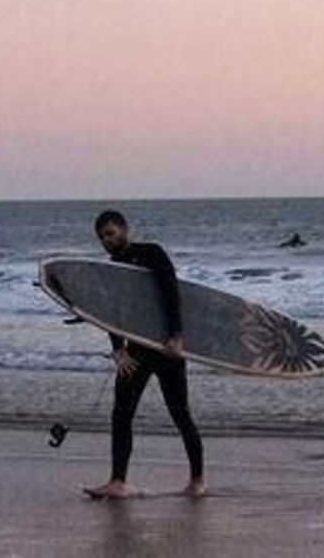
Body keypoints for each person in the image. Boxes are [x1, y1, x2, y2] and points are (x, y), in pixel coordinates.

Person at [83, 210, 206, 500]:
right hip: (137, 351)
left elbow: (171, 292)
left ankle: (198, 479)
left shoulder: (152, 253)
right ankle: (117, 482)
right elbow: (113, 312)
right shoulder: (113, 268)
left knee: (180, 414)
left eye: (111, 233)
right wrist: (117, 349)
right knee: (121, 414)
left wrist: (176, 336)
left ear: (125, 229)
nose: (107, 240)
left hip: (166, 349)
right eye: (102, 237)